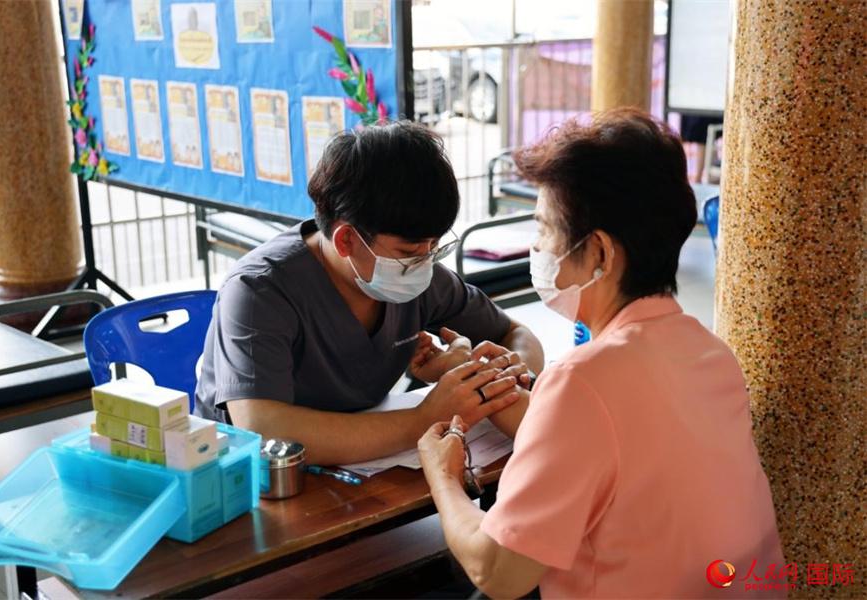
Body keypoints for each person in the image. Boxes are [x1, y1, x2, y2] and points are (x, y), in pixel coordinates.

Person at [419, 108, 785, 599]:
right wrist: (476, 378)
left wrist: (443, 476)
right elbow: (609, 444)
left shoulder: (582, 380)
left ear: (599, 253)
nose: (537, 248)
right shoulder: (709, 352)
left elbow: (498, 570)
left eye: (545, 229)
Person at [196, 120, 543, 466]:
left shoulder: (422, 275)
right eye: (409, 252)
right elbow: (264, 429)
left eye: (434, 247)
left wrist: (501, 376)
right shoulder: (259, 291)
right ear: (346, 239)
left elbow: (515, 333)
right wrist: (424, 418)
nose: (424, 261)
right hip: (246, 482)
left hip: (364, 473)